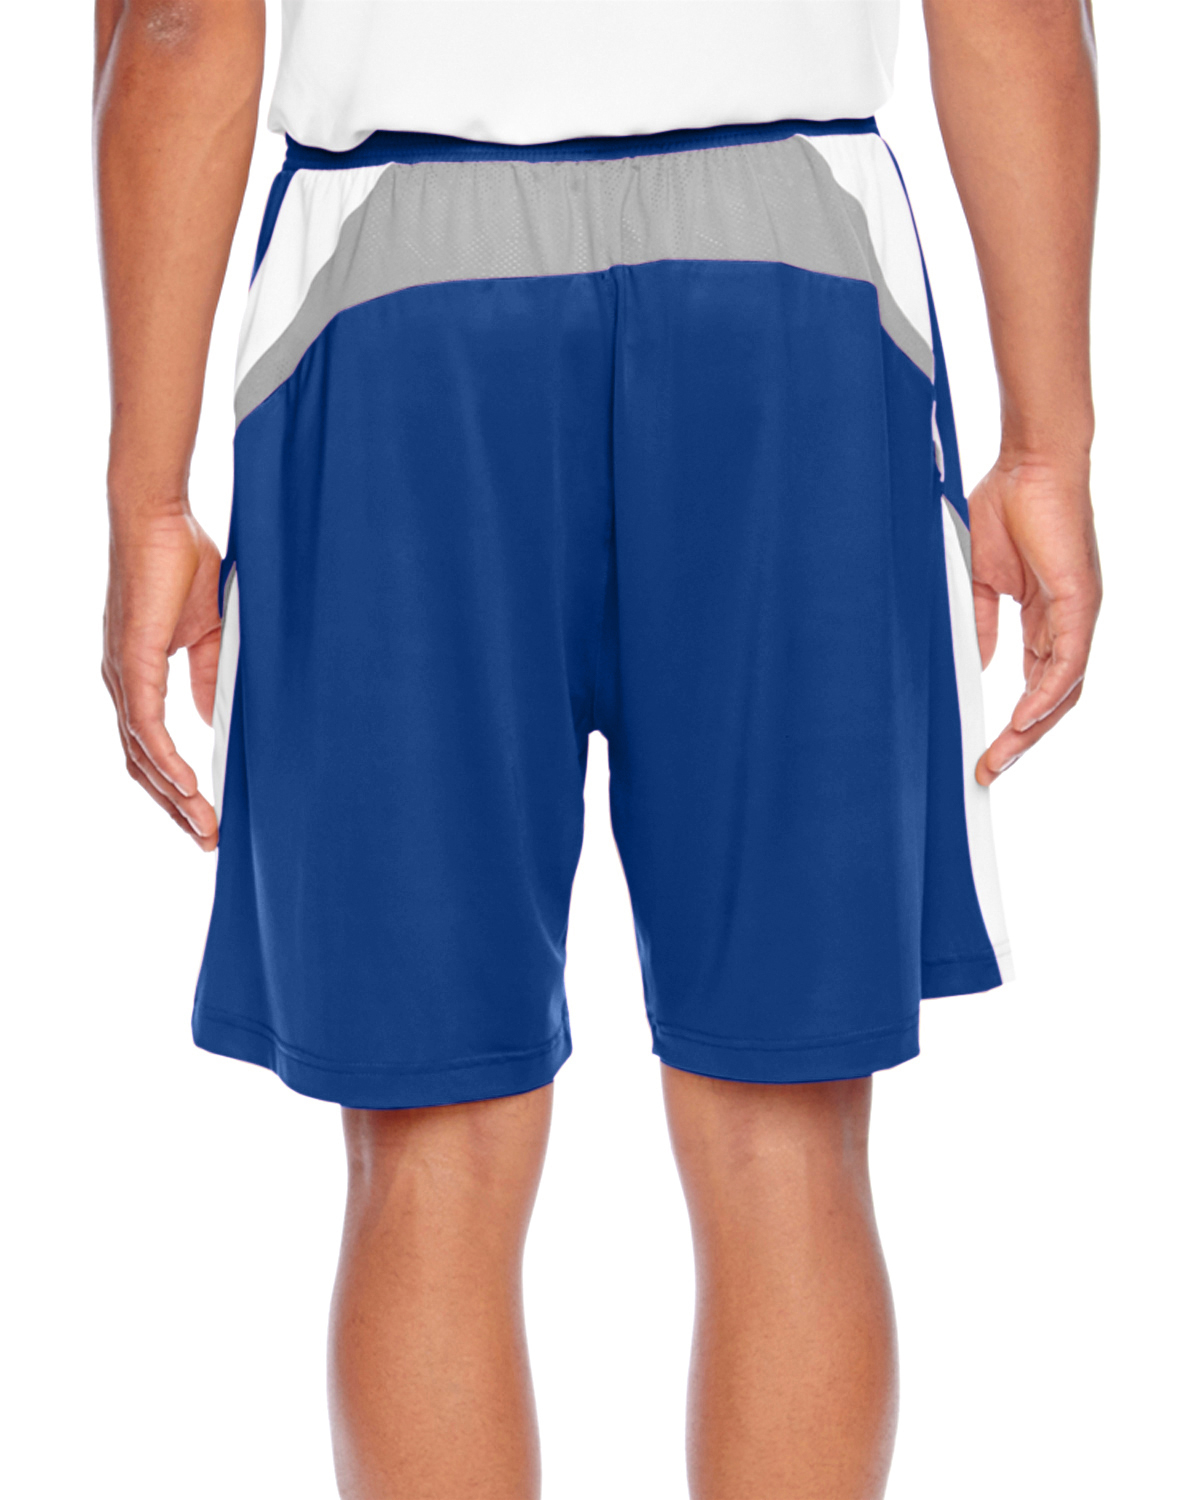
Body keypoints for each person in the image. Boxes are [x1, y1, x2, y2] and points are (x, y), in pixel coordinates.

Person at [93, 2, 1101, 1495]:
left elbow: (178, 27)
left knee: (432, 1149)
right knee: (787, 1132)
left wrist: (147, 499)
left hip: (394, 296)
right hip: (795, 278)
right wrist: (1047, 445)